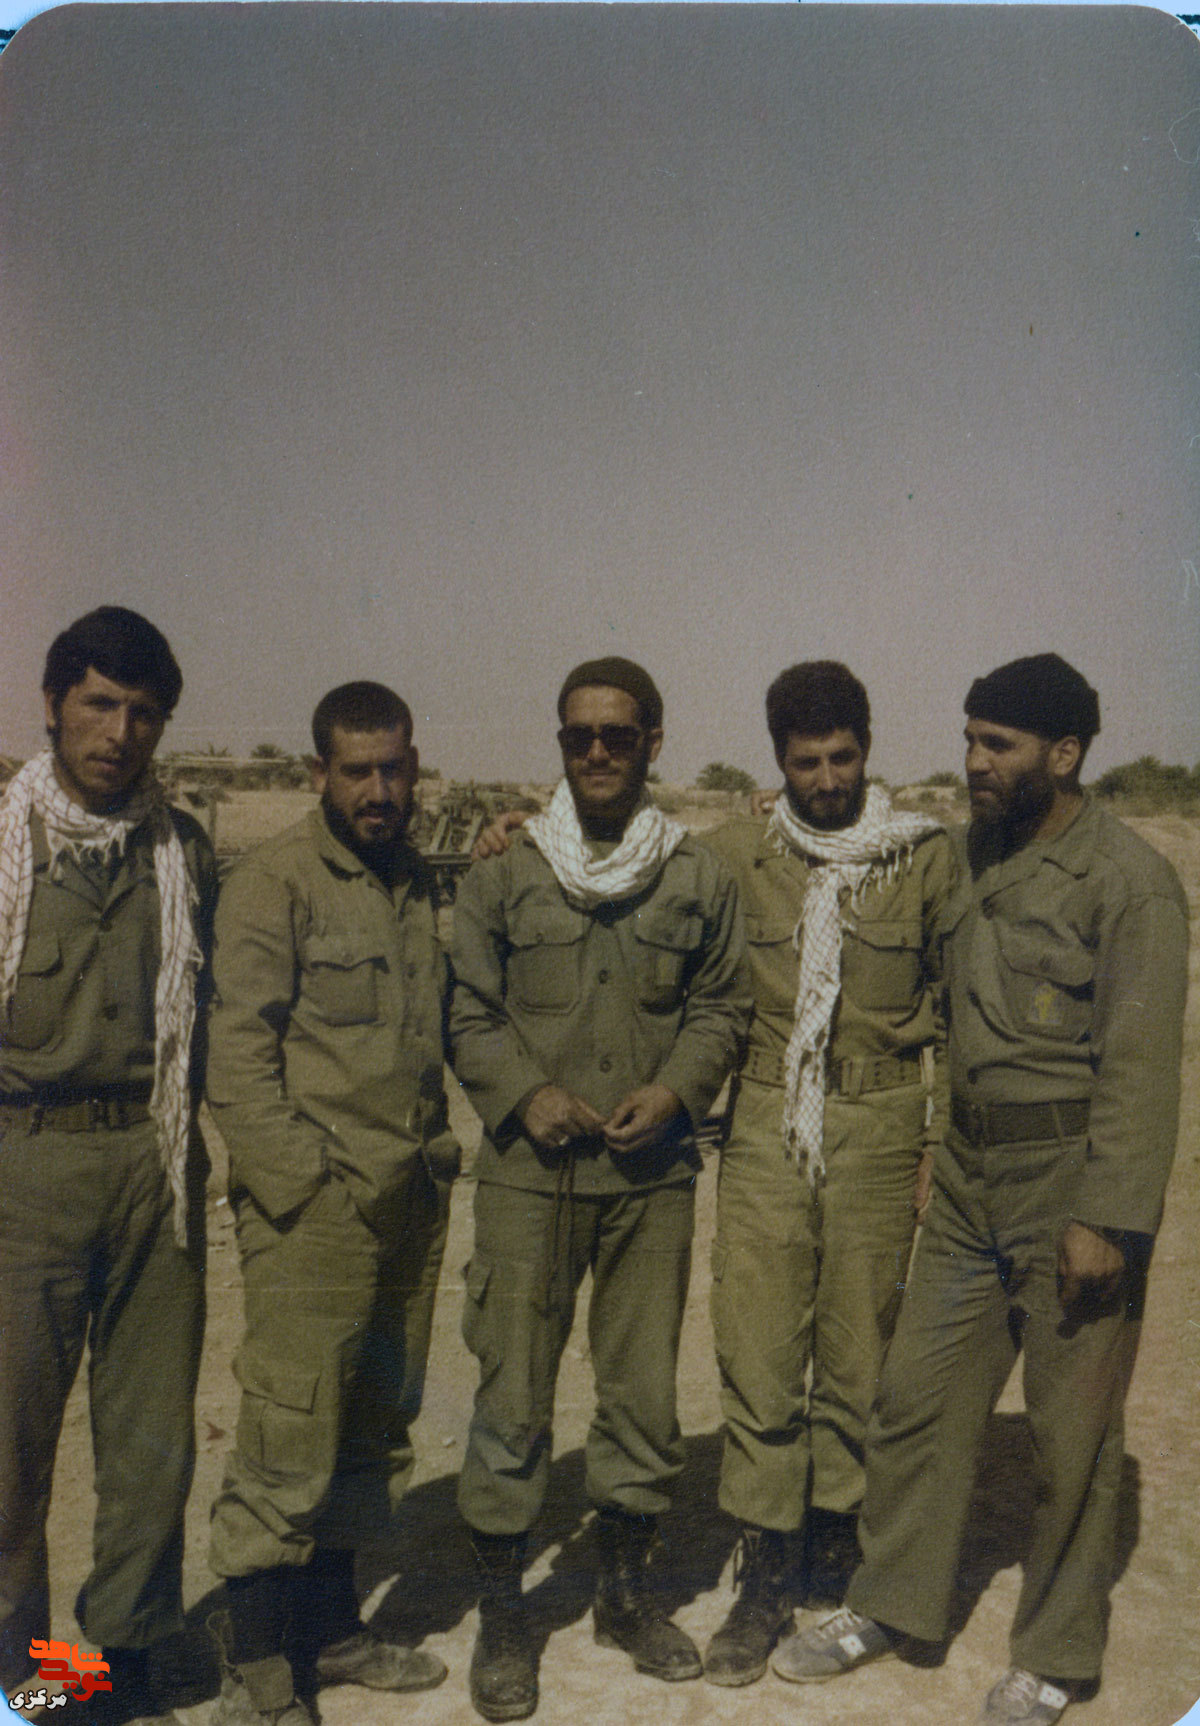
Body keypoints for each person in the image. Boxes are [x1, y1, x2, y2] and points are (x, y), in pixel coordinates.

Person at [772, 654, 1189, 1726]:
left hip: (1072, 1184)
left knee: (1069, 1439)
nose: (974, 762)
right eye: (969, 740)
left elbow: (1142, 1069)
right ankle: (889, 1603)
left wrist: (1108, 1217)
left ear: (1066, 754)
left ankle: (1053, 1655)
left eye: (997, 745)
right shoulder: (966, 856)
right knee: (916, 1400)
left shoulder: (1131, 882)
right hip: (965, 1179)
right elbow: (844, 862)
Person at [449, 657, 751, 1723]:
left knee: (641, 1397)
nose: (597, 752)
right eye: (578, 735)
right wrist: (523, 1093)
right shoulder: (506, 871)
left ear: (654, 741)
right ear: (561, 742)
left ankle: (624, 1599)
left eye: (619, 735)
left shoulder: (698, 876)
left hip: (648, 1179)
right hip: (529, 1179)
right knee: (512, 1394)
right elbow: (467, 1010)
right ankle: (505, 1619)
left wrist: (677, 1091)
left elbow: (722, 1007)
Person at [697, 661, 953, 1686]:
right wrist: (512, 831)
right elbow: (632, 866)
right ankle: (765, 1566)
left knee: (861, 1346)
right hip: (767, 1115)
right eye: (807, 763)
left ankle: (836, 1540)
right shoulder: (737, 854)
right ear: (778, 761)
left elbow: (960, 1007)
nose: (829, 780)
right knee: (760, 1343)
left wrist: (941, 1138)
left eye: (844, 758)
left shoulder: (925, 858)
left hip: (883, 1121)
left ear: (867, 749)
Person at [205, 682, 455, 1726]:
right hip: (316, 1213)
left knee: (371, 1428)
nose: (377, 790)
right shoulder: (274, 883)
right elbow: (237, 1058)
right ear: (319, 774)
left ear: (413, 767)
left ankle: (334, 1633)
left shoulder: (414, 881)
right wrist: (304, 1191)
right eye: (356, 771)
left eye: (393, 768)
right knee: (289, 1433)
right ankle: (258, 1672)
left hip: (408, 1203)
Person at [0, 606, 216, 1726]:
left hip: (154, 1160)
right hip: (22, 1166)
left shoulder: (183, 851)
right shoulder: (6, 844)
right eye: (98, 704)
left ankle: (126, 1661)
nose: (119, 733)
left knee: (149, 1443)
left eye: (143, 713)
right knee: (9, 1454)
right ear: (52, 705)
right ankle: (21, 1684)